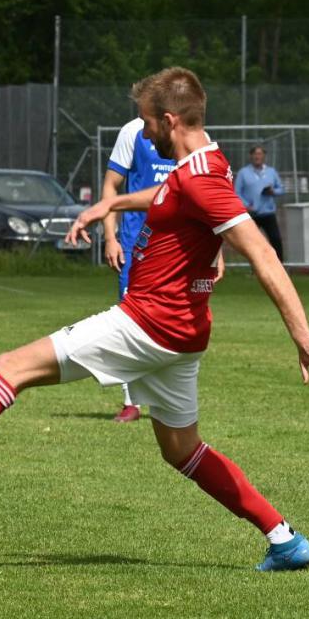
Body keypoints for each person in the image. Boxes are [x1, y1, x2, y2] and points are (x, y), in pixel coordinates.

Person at [0, 66, 309, 572]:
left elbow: (261, 253)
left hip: (148, 323)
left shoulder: (202, 181)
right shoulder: (207, 161)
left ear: (170, 120)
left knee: (12, 367)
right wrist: (109, 205)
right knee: (183, 450)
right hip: (184, 333)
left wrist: (301, 331)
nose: (143, 132)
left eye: (147, 123)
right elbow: (168, 196)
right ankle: (285, 539)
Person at [100, 117, 175, 422]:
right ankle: (132, 401)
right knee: (131, 319)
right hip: (135, 244)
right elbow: (110, 184)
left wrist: (215, 250)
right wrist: (110, 236)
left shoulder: (189, 133)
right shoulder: (132, 131)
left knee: (173, 319)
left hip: (177, 245)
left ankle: (167, 398)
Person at [235, 145, 285, 261]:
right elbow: (237, 192)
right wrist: (247, 205)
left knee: (275, 239)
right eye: (255, 154)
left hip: (268, 212)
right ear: (251, 156)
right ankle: (256, 267)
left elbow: (281, 189)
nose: (258, 156)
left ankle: (280, 266)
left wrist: (273, 191)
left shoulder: (271, 172)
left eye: (260, 154)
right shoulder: (243, 173)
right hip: (252, 214)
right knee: (252, 243)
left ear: (264, 156)